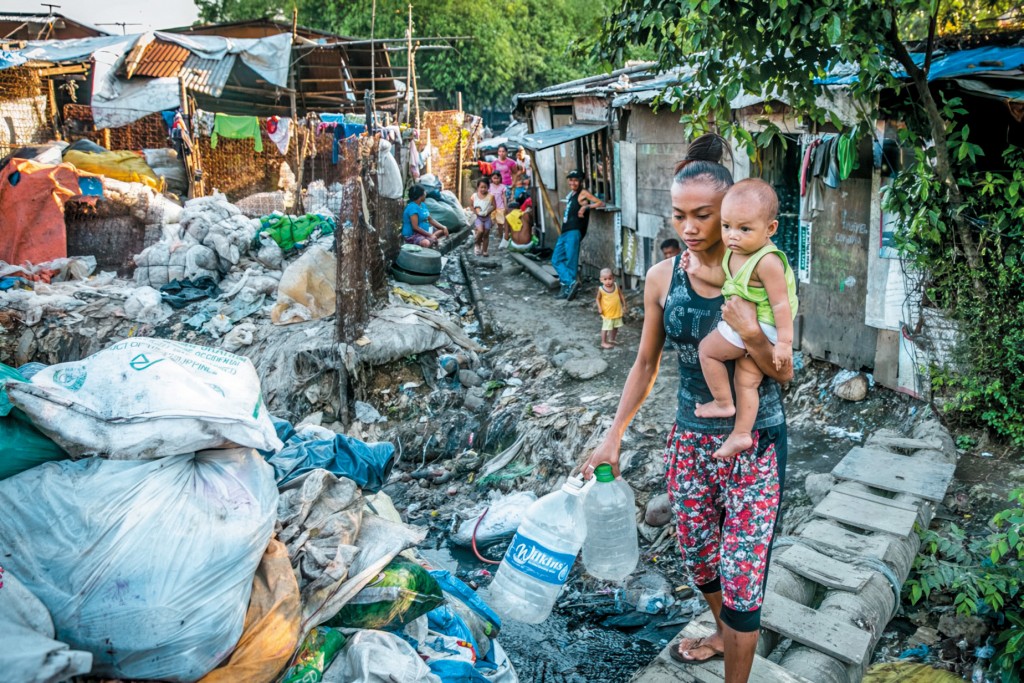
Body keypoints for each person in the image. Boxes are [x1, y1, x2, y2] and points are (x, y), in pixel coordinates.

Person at [580, 134, 791, 683]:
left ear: (732, 217)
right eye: (679, 215)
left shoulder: (762, 281)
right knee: (700, 558)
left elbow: (784, 372)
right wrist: (613, 434)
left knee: (742, 577)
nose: (691, 228)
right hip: (689, 443)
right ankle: (725, 633)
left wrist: (752, 333)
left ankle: (737, 654)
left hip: (756, 444)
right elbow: (646, 363)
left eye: (705, 216)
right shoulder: (661, 279)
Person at [694, 179, 798, 460]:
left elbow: (781, 304)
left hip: (763, 325)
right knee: (747, 381)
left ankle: (722, 401)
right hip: (757, 326)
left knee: (707, 351)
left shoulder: (767, 262)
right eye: (726, 226)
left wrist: (785, 343)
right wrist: (698, 269)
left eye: (744, 229)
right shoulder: (736, 252)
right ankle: (741, 434)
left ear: (771, 229)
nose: (732, 236)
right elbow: (722, 277)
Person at [552, 170, 604, 300]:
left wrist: (585, 208)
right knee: (556, 259)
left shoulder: (583, 193)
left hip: (574, 231)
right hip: (565, 231)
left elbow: (600, 203)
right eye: (571, 180)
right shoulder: (572, 194)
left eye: (576, 180)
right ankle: (570, 283)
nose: (573, 182)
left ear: (580, 181)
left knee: (571, 260)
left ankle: (568, 288)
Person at [596, 268, 626, 349]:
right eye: (605, 279)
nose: (608, 281)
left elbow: (621, 296)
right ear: (601, 280)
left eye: (610, 279)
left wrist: (624, 305)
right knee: (606, 327)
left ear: (613, 278)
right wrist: (599, 308)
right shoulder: (601, 289)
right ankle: (603, 342)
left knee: (616, 326)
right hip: (607, 312)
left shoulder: (616, 286)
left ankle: (612, 339)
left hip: (616, 311)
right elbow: (597, 299)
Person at [470, 178, 495, 256]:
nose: (483, 189)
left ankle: (484, 250)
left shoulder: (491, 196)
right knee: (480, 231)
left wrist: (488, 211)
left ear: (488, 187)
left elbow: (494, 206)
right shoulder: (474, 196)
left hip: (487, 218)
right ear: (478, 187)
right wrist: (475, 212)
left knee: (486, 234)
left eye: (485, 187)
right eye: (481, 187)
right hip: (478, 218)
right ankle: (477, 243)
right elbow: (471, 205)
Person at [488, 170, 508, 236]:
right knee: (490, 222)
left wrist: (505, 206)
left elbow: (504, 197)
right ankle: (485, 235)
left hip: (500, 207)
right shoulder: (489, 186)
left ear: (500, 178)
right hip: (491, 207)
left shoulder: (502, 187)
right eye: (494, 178)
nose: (496, 180)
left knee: (500, 223)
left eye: (497, 178)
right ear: (491, 178)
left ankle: (500, 235)